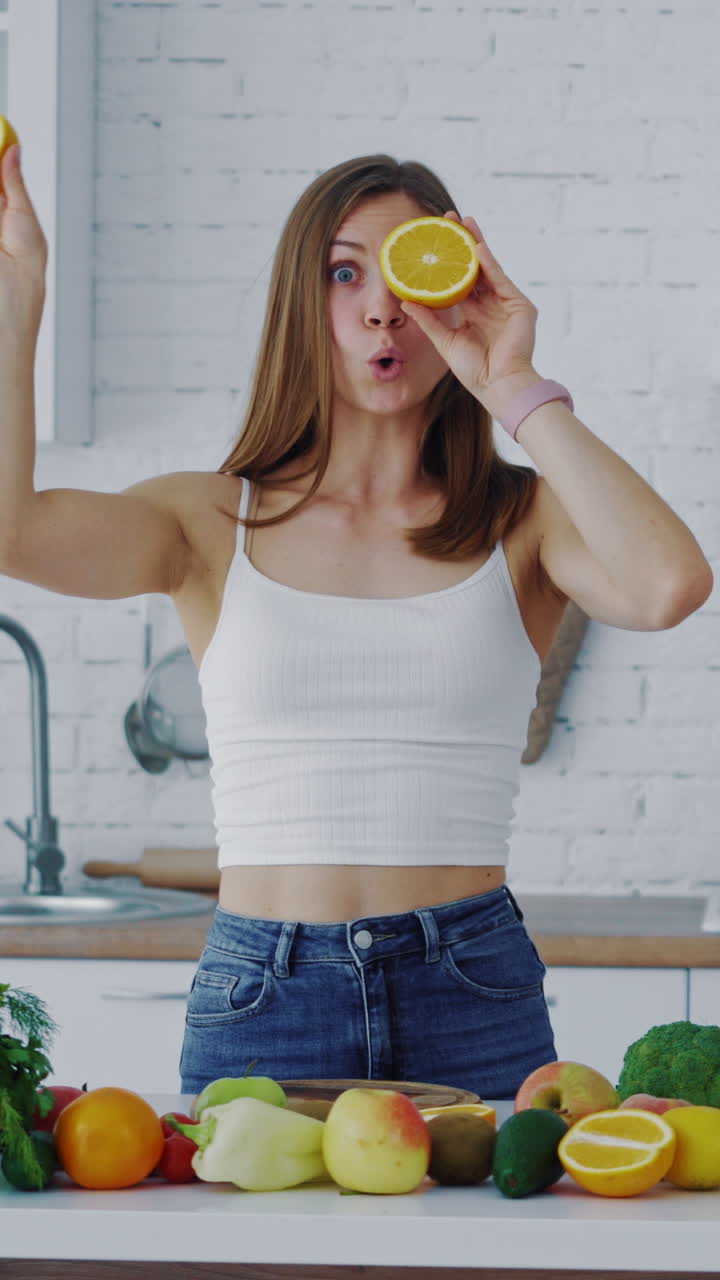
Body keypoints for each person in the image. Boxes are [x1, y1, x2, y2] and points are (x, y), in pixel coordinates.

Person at [0, 149, 712, 1100]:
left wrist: (513, 386)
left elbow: (668, 584)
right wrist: (17, 293)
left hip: (471, 984)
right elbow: (12, 529)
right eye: (344, 273)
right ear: (305, 303)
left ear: (455, 288)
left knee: (489, 1255)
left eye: (406, 273)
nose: (382, 308)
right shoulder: (207, 521)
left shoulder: (524, 521)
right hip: (264, 991)